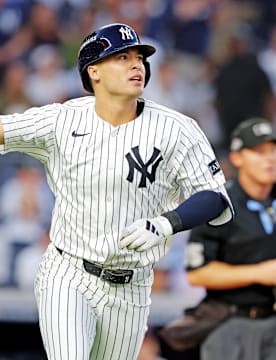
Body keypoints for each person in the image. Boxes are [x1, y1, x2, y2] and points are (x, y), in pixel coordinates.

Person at [0, 23, 233, 360]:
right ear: (93, 71)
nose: (136, 65)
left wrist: (166, 224)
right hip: (69, 273)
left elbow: (215, 196)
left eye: (139, 57)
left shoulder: (176, 129)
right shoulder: (62, 121)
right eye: (121, 57)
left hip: (133, 287)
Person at [185, 117, 276, 360]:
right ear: (237, 158)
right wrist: (259, 272)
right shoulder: (217, 204)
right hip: (229, 322)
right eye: (259, 151)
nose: (270, 158)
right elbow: (197, 274)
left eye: (274, 150)